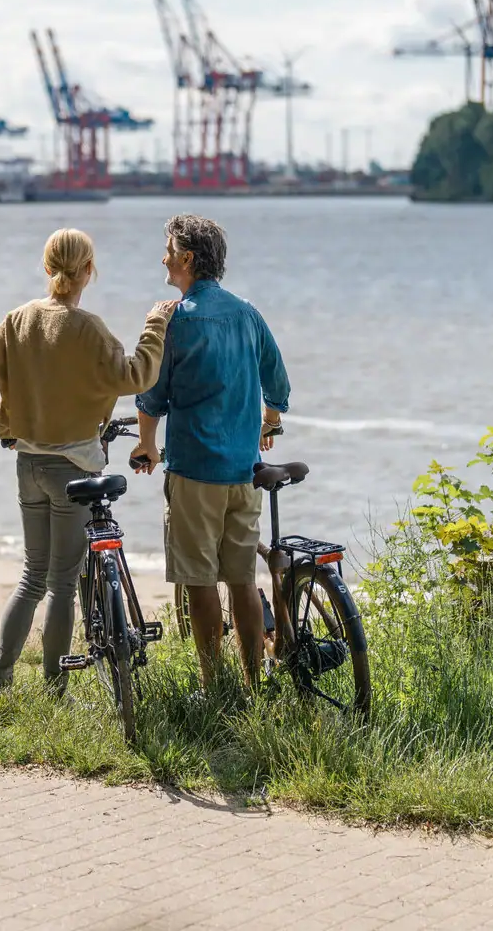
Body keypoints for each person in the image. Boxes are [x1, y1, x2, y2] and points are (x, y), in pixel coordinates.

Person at [0, 228, 178, 692]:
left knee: (31, 577)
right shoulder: (89, 329)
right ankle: (54, 689)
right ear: (88, 271)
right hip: (75, 471)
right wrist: (155, 326)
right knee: (62, 585)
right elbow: (138, 375)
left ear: (47, 268)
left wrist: (4, 425)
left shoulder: (18, 320)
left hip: (28, 467)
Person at [132, 214, 289, 689]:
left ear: (187, 259)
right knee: (241, 578)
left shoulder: (177, 320)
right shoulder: (247, 312)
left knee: (199, 579)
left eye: (168, 249)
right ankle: (252, 682)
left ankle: (212, 686)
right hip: (242, 472)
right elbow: (277, 381)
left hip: (195, 470)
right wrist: (270, 422)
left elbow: (153, 394)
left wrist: (146, 445)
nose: (163, 256)